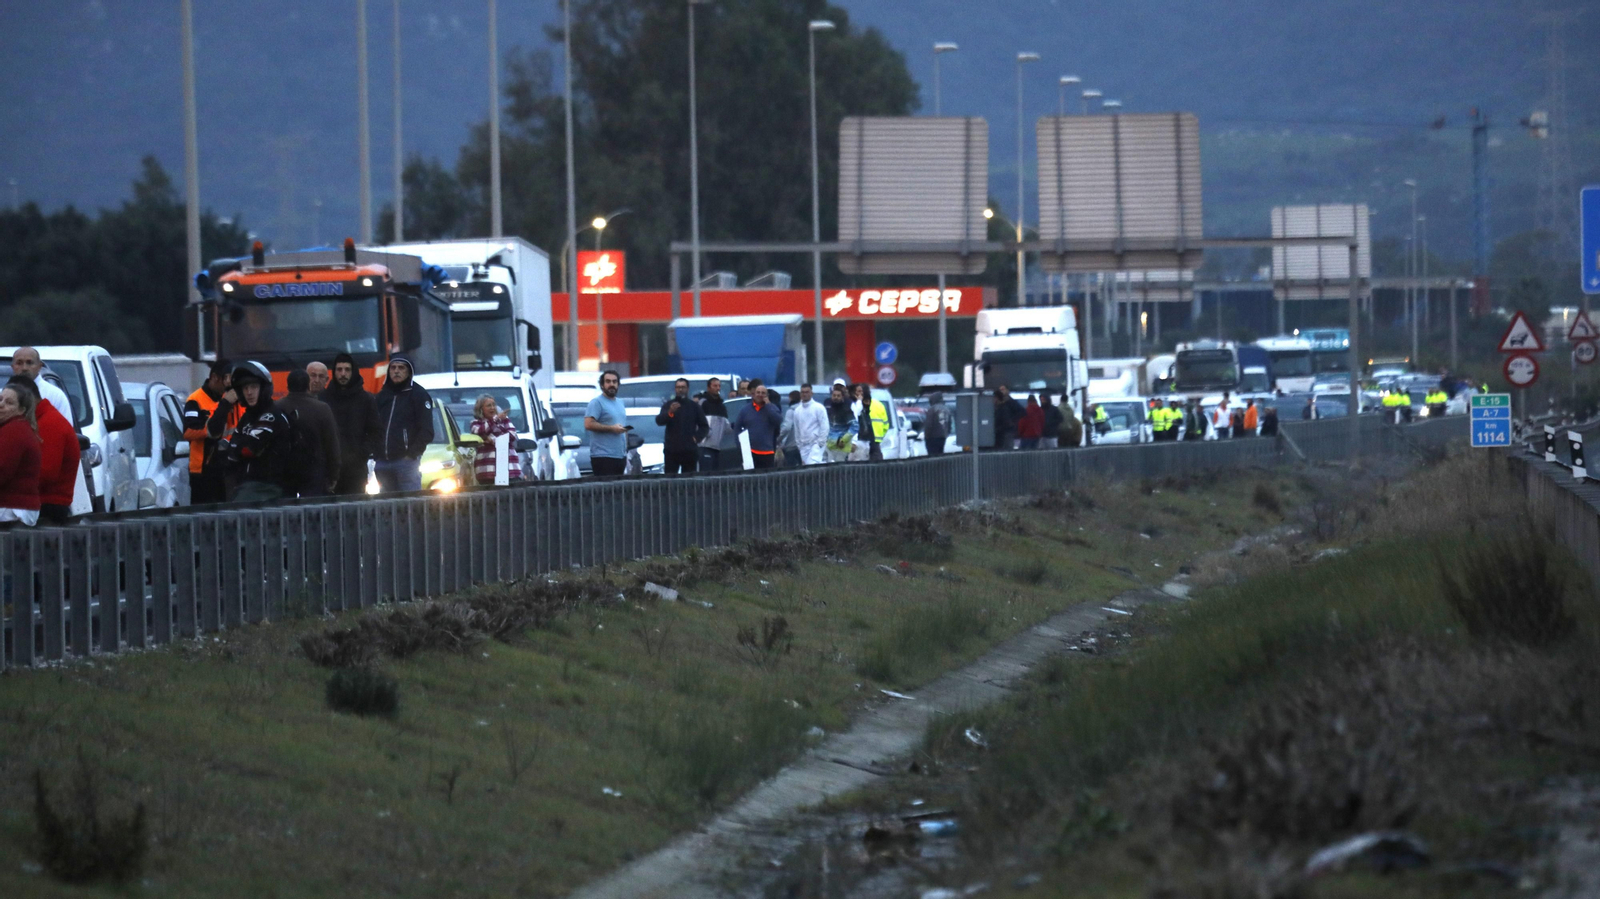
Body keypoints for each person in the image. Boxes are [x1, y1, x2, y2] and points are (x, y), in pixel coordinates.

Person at [208, 361, 291, 503]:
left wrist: (235, 448)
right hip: (245, 484)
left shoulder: (270, 415)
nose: (249, 392)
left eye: (254, 387)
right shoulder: (248, 417)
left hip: (269, 487)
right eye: (245, 388)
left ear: (263, 388)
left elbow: (249, 449)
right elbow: (230, 449)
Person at [8, 377, 78, 524]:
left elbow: (45, 473)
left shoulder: (49, 424)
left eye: (12, 403)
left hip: (47, 509)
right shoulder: (39, 421)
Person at [371, 355, 435, 493]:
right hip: (382, 462)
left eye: (401, 368)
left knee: (410, 506)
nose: (396, 371)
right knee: (386, 508)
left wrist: (411, 454)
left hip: (406, 463)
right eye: (393, 368)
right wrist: (376, 452)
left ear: (409, 372)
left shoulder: (418, 395)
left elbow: (427, 430)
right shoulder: (382, 396)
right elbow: (373, 426)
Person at [320, 352, 381, 495]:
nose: (343, 374)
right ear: (334, 372)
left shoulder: (366, 399)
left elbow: (376, 431)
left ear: (353, 372)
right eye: (339, 370)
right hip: (327, 469)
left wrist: (361, 453)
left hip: (355, 470)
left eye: (347, 370)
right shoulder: (323, 399)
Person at [182, 359, 240, 505]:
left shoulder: (229, 399)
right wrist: (209, 430)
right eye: (225, 378)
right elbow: (189, 431)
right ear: (214, 377)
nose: (228, 383)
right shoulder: (196, 400)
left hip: (225, 470)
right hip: (202, 471)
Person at [277, 369, 341, 497]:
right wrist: (334, 475)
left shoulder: (277, 407)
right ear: (308, 385)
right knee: (313, 513)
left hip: (284, 472)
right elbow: (332, 445)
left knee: (287, 513)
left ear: (288, 386)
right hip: (314, 473)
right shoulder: (322, 408)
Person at [0, 382, 42, 527]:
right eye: (0, 399)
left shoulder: (13, 431)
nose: (1, 405)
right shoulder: (17, 428)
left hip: (11, 509)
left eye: (9, 402)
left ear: (21, 409)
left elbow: (2, 470)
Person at [657, 377, 709, 475]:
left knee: (689, 482)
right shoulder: (668, 405)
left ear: (687, 389)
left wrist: (696, 438)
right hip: (671, 451)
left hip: (689, 451)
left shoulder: (694, 406)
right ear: (675, 389)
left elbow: (704, 426)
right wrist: (670, 412)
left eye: (683, 387)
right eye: (678, 387)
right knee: (669, 481)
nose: (680, 389)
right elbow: (659, 421)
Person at [470, 394, 524, 486]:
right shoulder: (475, 423)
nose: (492, 408)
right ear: (480, 409)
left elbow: (512, 436)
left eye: (493, 405)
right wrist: (496, 420)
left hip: (509, 470)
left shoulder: (505, 420)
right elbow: (480, 431)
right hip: (488, 472)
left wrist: (492, 439)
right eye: (488, 405)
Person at [584, 370, 629, 477]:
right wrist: (611, 428)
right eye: (608, 382)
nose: (611, 385)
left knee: (618, 491)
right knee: (606, 491)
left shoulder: (620, 402)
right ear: (602, 385)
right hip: (603, 456)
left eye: (614, 382)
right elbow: (588, 424)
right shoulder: (596, 402)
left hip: (620, 455)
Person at [9, 347, 71, 417]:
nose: (24, 368)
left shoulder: (55, 395)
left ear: (39, 366)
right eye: (19, 363)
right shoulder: (2, 395)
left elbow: (65, 426)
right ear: (12, 366)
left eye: (29, 363)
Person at [734, 386, 783, 469]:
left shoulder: (772, 408)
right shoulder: (745, 410)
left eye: (763, 393)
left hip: (767, 452)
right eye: (758, 392)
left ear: (767, 395)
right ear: (754, 394)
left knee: (766, 479)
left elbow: (778, 421)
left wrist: (768, 405)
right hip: (749, 453)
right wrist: (739, 446)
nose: (760, 395)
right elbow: (737, 428)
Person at [698, 377, 731, 471]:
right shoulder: (703, 403)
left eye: (719, 386)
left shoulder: (721, 406)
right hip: (704, 446)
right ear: (708, 388)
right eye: (715, 386)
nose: (718, 388)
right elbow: (698, 422)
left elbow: (726, 427)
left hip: (717, 447)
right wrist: (707, 433)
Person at [790, 384, 829, 464]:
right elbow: (797, 430)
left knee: (812, 465)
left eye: (807, 392)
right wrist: (800, 446)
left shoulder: (819, 408)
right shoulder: (797, 411)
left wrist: (820, 443)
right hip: (803, 446)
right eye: (802, 392)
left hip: (815, 444)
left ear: (812, 393)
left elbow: (824, 426)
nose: (804, 394)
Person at [825, 381, 857, 462]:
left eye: (838, 396)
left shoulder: (848, 406)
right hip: (828, 445)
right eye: (834, 395)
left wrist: (844, 440)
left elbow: (855, 426)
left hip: (842, 446)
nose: (836, 397)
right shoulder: (827, 404)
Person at [993, 385, 1023, 450]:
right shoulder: (998, 406)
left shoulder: (1009, 404)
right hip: (1002, 431)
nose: (1002, 391)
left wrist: (1012, 421)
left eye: (1003, 389)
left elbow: (1022, 412)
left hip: (1006, 431)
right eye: (1000, 390)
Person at [778, 390, 803, 467]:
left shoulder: (791, 411)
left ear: (790, 398)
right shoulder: (805, 410)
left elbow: (786, 427)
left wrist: (778, 439)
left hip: (791, 446)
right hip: (804, 445)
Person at [923, 391, 950, 456]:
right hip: (943, 437)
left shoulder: (932, 409)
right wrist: (946, 434)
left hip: (932, 437)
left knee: (932, 456)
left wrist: (926, 436)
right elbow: (949, 424)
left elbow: (928, 425)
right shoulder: (947, 410)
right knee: (940, 454)